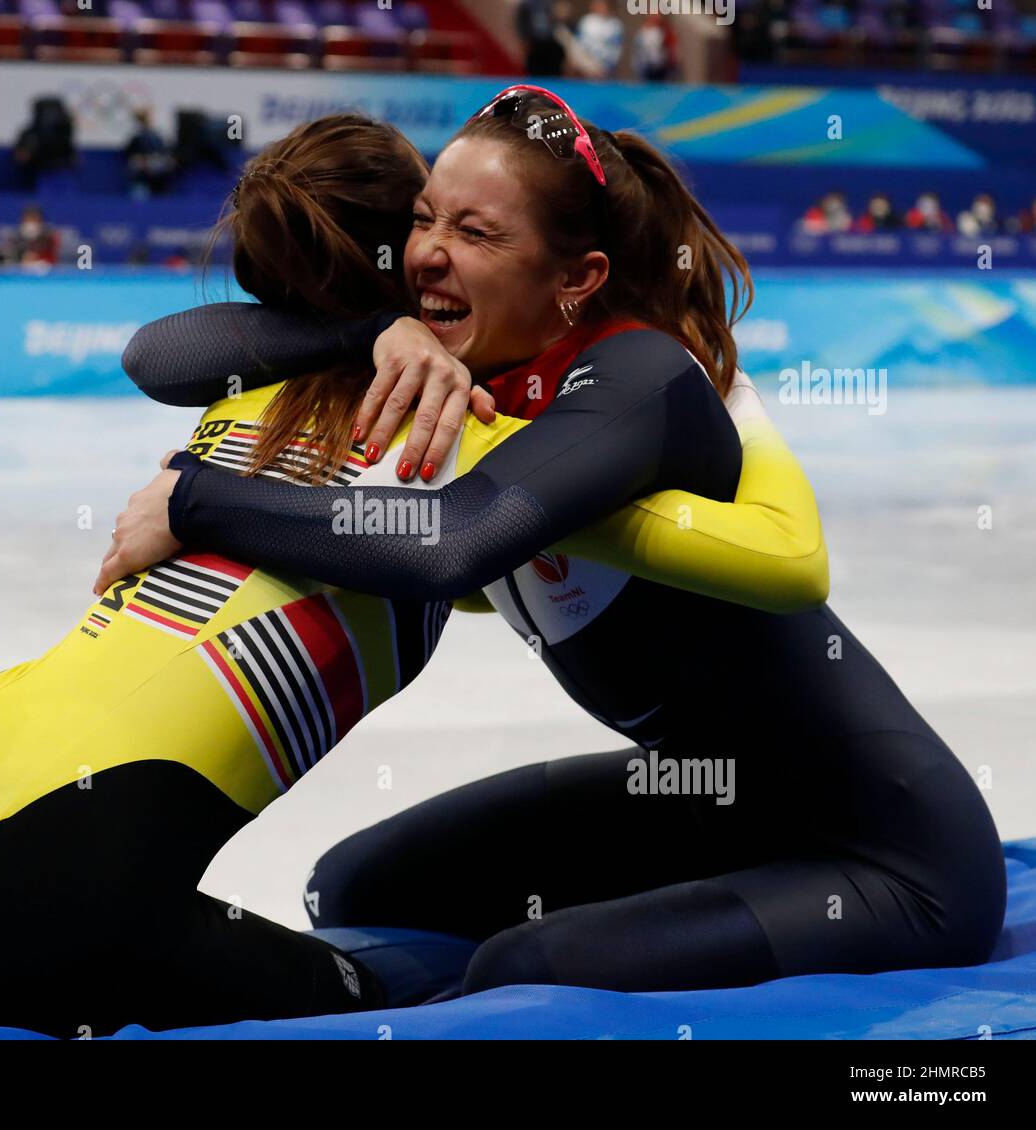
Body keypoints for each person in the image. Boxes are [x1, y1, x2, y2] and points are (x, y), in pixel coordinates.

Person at [0, 113, 826, 1036]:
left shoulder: (246, 379)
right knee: (388, 996)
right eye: (430, 221)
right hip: (55, 874)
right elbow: (469, 539)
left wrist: (231, 460)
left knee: (57, 921)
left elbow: (154, 352)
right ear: (409, 257)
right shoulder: (465, 430)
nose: (445, 247)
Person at [112, 88, 1006, 998]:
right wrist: (377, 327)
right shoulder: (460, 355)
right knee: (352, 885)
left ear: (574, 278)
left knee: (523, 966)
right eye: (425, 220)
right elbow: (159, 356)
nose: (428, 254)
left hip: (895, 864)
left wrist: (200, 503)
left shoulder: (636, 378)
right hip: (711, 797)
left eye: (476, 232)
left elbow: (450, 543)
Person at [576, 0, 625, 77]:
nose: (600, 7)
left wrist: (608, 67)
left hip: (606, 68)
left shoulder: (615, 24)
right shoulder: (586, 21)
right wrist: (586, 66)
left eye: (602, 5)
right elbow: (580, 46)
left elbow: (616, 50)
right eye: (597, 5)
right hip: (587, 66)